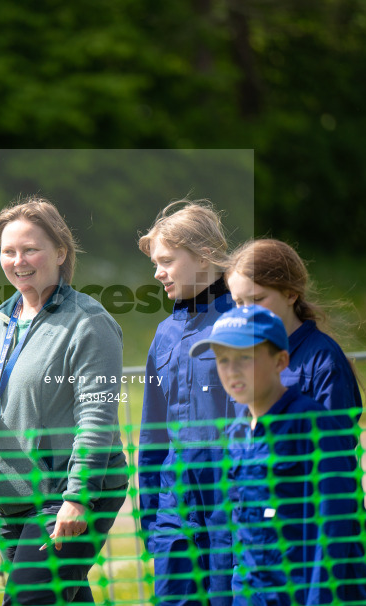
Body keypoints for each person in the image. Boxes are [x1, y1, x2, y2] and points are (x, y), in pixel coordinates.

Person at [0, 197, 128, 605]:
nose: (17, 260)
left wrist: (77, 498)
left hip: (64, 498)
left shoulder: (89, 323)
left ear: (60, 252)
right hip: (9, 499)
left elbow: (98, 415)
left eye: (30, 249)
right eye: (8, 251)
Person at [190, 305, 366, 605]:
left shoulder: (312, 425)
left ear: (281, 361)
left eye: (245, 358)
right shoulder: (237, 432)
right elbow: (237, 528)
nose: (232, 370)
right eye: (222, 360)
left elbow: (335, 525)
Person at [137, 200, 240, 606]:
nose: (157, 273)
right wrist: (153, 515)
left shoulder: (243, 323)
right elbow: (152, 431)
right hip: (174, 508)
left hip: (230, 505)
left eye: (166, 261)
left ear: (205, 257)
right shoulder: (163, 333)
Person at [224, 239, 362, 431]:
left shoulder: (323, 359)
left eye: (257, 299)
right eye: (239, 302)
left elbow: (334, 447)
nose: (247, 312)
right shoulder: (238, 357)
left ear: (290, 294)